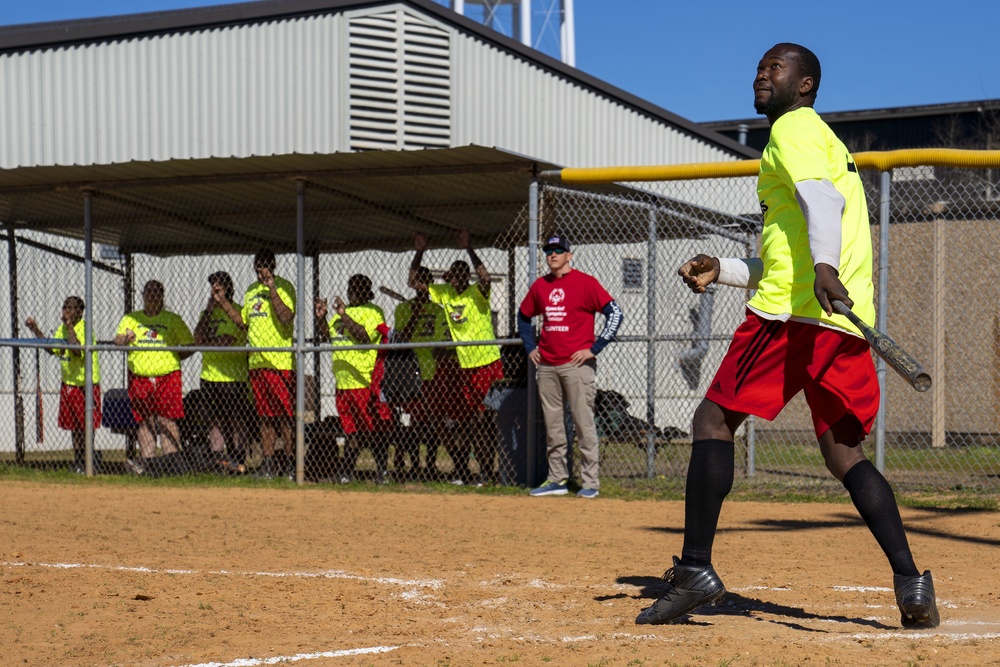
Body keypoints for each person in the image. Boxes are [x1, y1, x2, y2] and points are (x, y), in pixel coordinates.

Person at [635, 43, 939, 629]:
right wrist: (723, 269)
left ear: (805, 85)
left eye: (776, 68)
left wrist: (823, 266)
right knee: (843, 453)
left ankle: (695, 567)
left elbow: (818, 204)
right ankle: (911, 581)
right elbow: (791, 251)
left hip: (792, 317)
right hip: (836, 321)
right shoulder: (822, 138)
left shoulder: (795, 128)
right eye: (759, 67)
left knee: (711, 422)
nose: (761, 74)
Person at [517, 234, 623, 498]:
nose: (552, 255)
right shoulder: (540, 286)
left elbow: (615, 314)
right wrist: (531, 348)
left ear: (569, 255)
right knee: (553, 426)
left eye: (558, 250)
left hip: (577, 366)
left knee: (583, 423)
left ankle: (590, 483)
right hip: (547, 365)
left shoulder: (586, 283)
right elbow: (523, 316)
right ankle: (557, 480)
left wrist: (594, 348)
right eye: (549, 251)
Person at [410, 229, 504, 485]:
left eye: (463, 274)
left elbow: (485, 277)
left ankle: (493, 469)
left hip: (486, 360)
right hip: (466, 366)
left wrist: (469, 249)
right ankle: (479, 471)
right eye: (455, 274)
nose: (459, 279)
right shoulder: (446, 293)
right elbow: (413, 282)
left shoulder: (476, 292)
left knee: (489, 419)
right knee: (473, 419)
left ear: (467, 276)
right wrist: (420, 250)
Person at [221, 249, 296, 479]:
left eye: (265, 265)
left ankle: (292, 464)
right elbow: (243, 322)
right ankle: (269, 464)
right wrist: (223, 302)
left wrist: (272, 287)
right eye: (257, 265)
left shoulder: (284, 287)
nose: (260, 269)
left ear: (273, 266)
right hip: (257, 363)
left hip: (279, 361)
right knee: (265, 417)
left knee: (285, 416)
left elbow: (285, 316)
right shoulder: (251, 291)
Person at [315, 274, 392, 483]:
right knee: (350, 430)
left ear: (367, 292)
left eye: (357, 288)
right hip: (342, 382)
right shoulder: (340, 314)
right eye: (350, 287)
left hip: (363, 381)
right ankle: (346, 473)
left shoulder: (373, 311)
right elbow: (328, 336)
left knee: (371, 429)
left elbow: (364, 337)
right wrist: (322, 318)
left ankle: (382, 471)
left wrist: (344, 315)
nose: (352, 292)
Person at [114, 280, 194, 476]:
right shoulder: (131, 319)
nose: (152, 296)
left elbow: (189, 345)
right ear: (142, 295)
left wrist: (174, 355)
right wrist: (126, 339)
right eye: (148, 292)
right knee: (146, 420)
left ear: (162, 295)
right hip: (140, 376)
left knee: (167, 420)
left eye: (156, 292)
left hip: (167, 376)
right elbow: (117, 341)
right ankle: (148, 464)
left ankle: (172, 463)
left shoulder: (172, 320)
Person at [25, 297, 102, 474]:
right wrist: (36, 330)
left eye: (72, 308)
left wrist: (69, 326)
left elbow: (77, 351)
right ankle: (78, 461)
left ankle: (89, 461)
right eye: (65, 307)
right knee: (75, 427)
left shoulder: (84, 328)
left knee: (86, 425)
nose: (67, 311)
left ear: (80, 312)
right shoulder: (62, 328)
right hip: (69, 383)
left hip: (85, 384)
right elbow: (52, 349)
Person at [392, 266, 451, 478]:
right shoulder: (403, 309)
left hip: (433, 372)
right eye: (419, 281)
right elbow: (403, 338)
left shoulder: (438, 309)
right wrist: (416, 313)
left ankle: (430, 463)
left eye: (426, 281)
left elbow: (440, 342)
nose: (422, 286)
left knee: (433, 422)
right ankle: (415, 464)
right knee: (413, 423)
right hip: (410, 372)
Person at [193, 271, 249, 473]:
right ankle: (219, 461)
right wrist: (208, 310)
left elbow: (227, 340)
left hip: (232, 376)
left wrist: (207, 344)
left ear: (228, 289)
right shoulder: (207, 314)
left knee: (235, 419)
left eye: (219, 288)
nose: (214, 291)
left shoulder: (238, 312)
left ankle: (239, 460)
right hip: (209, 376)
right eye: (213, 288)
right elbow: (197, 339)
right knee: (215, 419)